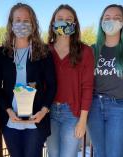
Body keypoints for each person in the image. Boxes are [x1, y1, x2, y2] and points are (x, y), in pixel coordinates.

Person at [0, 3, 56, 157]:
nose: (22, 24)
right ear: (11, 24)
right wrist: (8, 110)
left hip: (35, 120)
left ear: (33, 24)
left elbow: (52, 85)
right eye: (18, 20)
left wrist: (43, 111)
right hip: (11, 120)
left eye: (26, 20)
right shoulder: (2, 52)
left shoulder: (43, 51)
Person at [87, 4, 123, 157]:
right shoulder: (93, 49)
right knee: (100, 153)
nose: (111, 21)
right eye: (107, 18)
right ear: (101, 21)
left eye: (116, 18)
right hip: (93, 106)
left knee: (114, 153)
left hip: (119, 108)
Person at [46, 4, 94, 157]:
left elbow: (88, 87)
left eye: (68, 19)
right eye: (60, 19)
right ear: (53, 23)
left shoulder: (85, 51)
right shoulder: (45, 50)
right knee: (53, 154)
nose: (64, 22)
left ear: (74, 24)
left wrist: (82, 120)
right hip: (48, 111)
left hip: (72, 113)